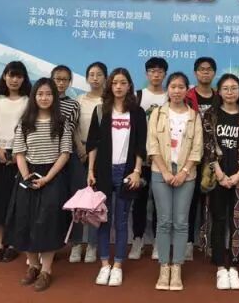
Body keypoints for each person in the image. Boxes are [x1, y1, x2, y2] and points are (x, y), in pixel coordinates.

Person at [7, 77, 72, 292]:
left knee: (48, 223)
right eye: (40, 94)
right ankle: (33, 266)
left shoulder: (62, 122)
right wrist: (26, 176)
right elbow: (19, 152)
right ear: (34, 96)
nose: (44, 98)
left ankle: (46, 270)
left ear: (54, 97)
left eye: (49, 94)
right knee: (25, 221)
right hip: (27, 175)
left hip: (52, 177)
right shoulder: (25, 122)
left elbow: (65, 153)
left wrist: (47, 178)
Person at [87, 68, 147, 287]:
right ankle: (105, 265)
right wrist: (90, 170)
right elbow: (93, 143)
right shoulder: (101, 110)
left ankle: (118, 265)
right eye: (115, 83)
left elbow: (141, 145)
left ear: (129, 85)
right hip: (103, 171)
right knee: (103, 219)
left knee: (121, 221)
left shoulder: (137, 112)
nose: (119, 87)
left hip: (126, 172)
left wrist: (137, 171)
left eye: (123, 83)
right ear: (109, 86)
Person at [147, 72, 203, 291]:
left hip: (186, 175)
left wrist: (184, 172)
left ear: (187, 90)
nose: (177, 91)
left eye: (181, 87)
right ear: (168, 89)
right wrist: (165, 171)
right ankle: (164, 267)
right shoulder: (157, 113)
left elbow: (197, 149)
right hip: (160, 172)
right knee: (164, 221)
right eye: (173, 86)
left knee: (180, 222)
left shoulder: (194, 116)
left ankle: (177, 266)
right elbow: (152, 145)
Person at [201, 74, 239, 290]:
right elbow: (207, 146)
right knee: (218, 218)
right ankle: (219, 267)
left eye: (234, 88)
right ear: (220, 91)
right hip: (217, 176)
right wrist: (220, 174)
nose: (230, 92)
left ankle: (234, 265)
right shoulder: (210, 115)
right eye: (226, 88)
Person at [0, 61, 31, 263]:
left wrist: (17, 153)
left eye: (19, 76)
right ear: (4, 76)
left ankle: (13, 244)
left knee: (16, 202)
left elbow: (30, 129)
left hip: (20, 156)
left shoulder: (29, 101)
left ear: (24, 79)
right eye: (11, 75)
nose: (14, 80)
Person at [129, 57, 169, 260]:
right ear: (146, 74)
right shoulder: (138, 96)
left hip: (163, 160)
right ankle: (137, 240)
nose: (156, 74)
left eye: (160, 71)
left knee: (161, 203)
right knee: (139, 201)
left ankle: (158, 243)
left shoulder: (170, 96)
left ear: (165, 74)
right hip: (140, 159)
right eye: (152, 71)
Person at [70, 62, 108, 263]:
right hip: (80, 153)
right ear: (86, 78)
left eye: (99, 74)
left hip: (101, 155)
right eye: (91, 74)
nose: (95, 78)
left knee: (95, 201)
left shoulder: (108, 101)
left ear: (105, 78)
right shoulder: (79, 100)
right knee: (77, 200)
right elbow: (73, 128)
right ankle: (76, 244)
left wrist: (94, 151)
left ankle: (93, 245)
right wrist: (80, 148)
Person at [50, 65, 84, 265]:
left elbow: (74, 131)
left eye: (65, 79)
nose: (61, 83)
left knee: (74, 201)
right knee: (50, 203)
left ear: (70, 82)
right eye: (57, 79)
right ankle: (49, 245)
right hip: (46, 159)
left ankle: (76, 243)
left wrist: (81, 151)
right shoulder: (41, 100)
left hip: (69, 157)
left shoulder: (73, 105)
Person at [184, 56, 217, 260]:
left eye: (209, 69)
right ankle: (188, 242)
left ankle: (209, 242)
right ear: (195, 73)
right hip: (190, 157)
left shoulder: (219, 96)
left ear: (214, 73)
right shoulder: (187, 96)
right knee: (190, 202)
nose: (205, 72)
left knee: (212, 203)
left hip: (214, 158)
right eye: (202, 69)